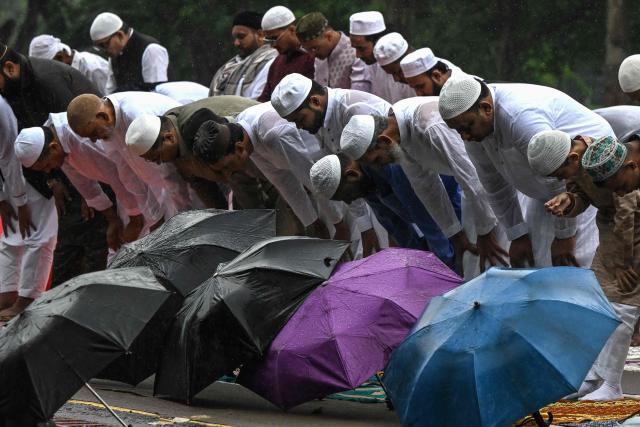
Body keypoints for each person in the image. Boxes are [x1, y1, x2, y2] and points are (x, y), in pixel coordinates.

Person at [438, 74, 607, 268]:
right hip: (546, 187)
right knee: (538, 262)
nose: (464, 136)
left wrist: (565, 235)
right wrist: (517, 234)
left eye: (466, 128)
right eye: (458, 130)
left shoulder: (520, 117)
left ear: (486, 108)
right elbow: (493, 183)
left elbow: (559, 175)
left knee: (576, 263)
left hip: (583, 184)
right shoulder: (474, 129)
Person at [339, 98, 507, 278]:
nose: (381, 167)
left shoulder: (429, 126)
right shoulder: (400, 138)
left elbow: (472, 176)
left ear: (384, 141)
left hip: (499, 177)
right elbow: (427, 189)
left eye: (377, 160)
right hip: (477, 190)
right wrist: (455, 235)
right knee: (475, 269)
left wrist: (485, 231)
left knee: (503, 260)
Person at [528, 131, 640, 401]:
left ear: (573, 158)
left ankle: (611, 383)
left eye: (562, 172)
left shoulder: (612, 164)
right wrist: (569, 202)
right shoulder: (593, 164)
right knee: (600, 301)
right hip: (614, 233)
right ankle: (594, 377)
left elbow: (626, 212)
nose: (563, 180)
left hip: (630, 230)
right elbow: (583, 194)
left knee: (623, 303)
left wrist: (625, 264)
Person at [0, 42, 108, 287]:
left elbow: (80, 139)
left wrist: (87, 194)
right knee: (69, 242)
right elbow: (34, 139)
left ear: (9, 67)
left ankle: (88, 301)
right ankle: (61, 301)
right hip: (62, 169)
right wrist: (53, 180)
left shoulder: (47, 81)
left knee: (93, 236)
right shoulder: (14, 89)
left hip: (94, 165)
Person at [271, 73, 391, 255]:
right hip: (374, 195)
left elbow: (386, 172)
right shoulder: (319, 121)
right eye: (293, 122)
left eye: (300, 119)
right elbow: (345, 180)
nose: (299, 127)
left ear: (315, 101)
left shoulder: (354, 110)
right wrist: (365, 227)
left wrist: (392, 226)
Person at [191, 102, 343, 238]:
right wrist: (313, 223)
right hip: (321, 176)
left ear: (238, 147)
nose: (228, 174)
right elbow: (284, 182)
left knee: (351, 240)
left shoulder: (272, 134)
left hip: (338, 165)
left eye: (226, 167)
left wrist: (339, 223)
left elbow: (312, 177)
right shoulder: (244, 133)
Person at [310, 153, 461, 267]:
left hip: (455, 206)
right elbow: (398, 228)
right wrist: (419, 265)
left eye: (347, 195)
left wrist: (444, 266)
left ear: (352, 175)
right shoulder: (365, 184)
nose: (349, 201)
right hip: (436, 224)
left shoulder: (388, 166)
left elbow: (426, 219)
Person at [66, 92, 194, 223]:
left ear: (103, 116)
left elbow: (168, 167)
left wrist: (184, 212)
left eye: (93, 133)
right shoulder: (107, 127)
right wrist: (152, 218)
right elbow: (127, 174)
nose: (94, 140)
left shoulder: (135, 113)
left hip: (189, 173)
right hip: (167, 187)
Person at [0, 101, 56, 321]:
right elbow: (7, 157)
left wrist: (14, 198)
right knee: (24, 233)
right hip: (17, 173)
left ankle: (18, 296)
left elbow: (9, 155)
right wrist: (9, 198)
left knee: (26, 235)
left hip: (26, 166)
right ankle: (15, 296)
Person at [90, 12, 169, 92]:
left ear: (120, 35)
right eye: (99, 47)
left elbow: (156, 90)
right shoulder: (114, 56)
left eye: (104, 45)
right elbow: (110, 92)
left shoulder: (151, 49)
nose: (103, 51)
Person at [209, 11, 277, 99]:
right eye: (235, 38)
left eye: (241, 37)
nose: (236, 43)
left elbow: (257, 102)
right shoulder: (231, 65)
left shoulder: (272, 60)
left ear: (260, 35)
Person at [348, 11, 413, 103]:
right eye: (355, 48)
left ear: (378, 41)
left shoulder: (406, 66)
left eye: (361, 48)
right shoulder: (369, 64)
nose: (357, 55)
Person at [295, 12, 367, 90]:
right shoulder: (320, 57)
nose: (312, 55)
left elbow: (359, 96)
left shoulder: (355, 54)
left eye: (314, 48)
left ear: (329, 36)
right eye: (308, 50)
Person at [257, 6, 314, 102]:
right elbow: (264, 100)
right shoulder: (277, 62)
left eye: (275, 38)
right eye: (269, 40)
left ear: (292, 30)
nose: (273, 45)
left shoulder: (311, 57)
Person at [28, 34, 114, 95]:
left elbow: (109, 102)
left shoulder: (92, 69)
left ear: (60, 57)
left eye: (47, 68)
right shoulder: (63, 74)